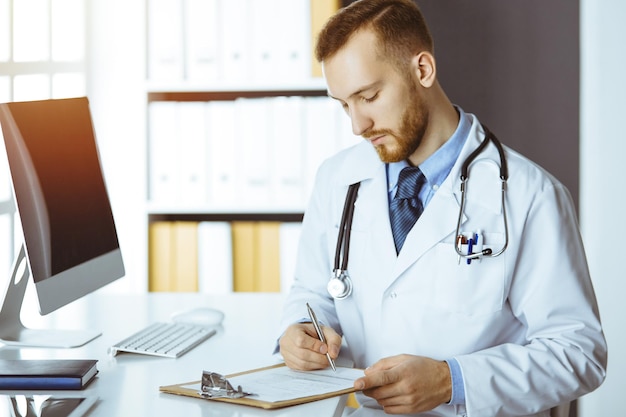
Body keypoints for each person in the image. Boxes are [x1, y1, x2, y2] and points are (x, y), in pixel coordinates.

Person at [277, 0, 607, 416]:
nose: (357, 125)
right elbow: (312, 292)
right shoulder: (337, 179)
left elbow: (578, 354)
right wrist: (300, 332)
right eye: (344, 104)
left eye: (369, 96)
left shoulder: (530, 196)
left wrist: (452, 380)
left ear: (423, 70)